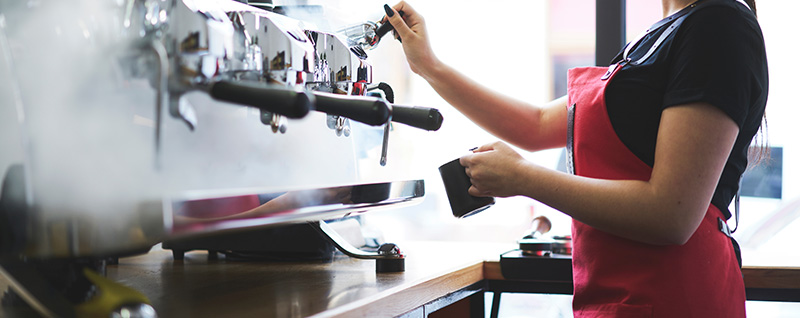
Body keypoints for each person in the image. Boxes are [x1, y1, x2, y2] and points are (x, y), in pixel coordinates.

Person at [383, 0, 767, 316]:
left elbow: (672, 215)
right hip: (617, 297)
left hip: (675, 298)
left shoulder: (719, 26)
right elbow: (533, 126)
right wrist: (427, 66)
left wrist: (523, 178)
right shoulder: (659, 35)